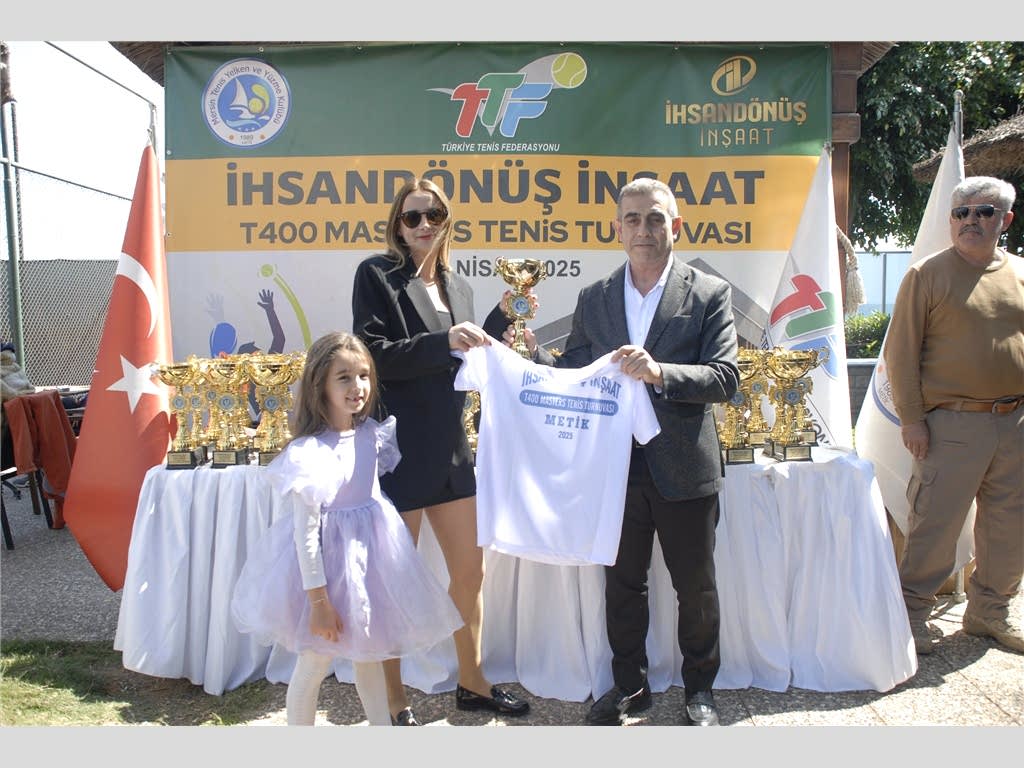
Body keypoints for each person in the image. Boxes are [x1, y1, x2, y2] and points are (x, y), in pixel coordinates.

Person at [501, 177, 739, 725]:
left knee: (695, 588)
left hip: (684, 466)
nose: (644, 229)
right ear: (617, 230)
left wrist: (660, 373)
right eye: (632, 219)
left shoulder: (708, 293)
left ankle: (700, 691)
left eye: (655, 218)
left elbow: (725, 377)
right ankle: (630, 687)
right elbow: (575, 372)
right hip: (613, 469)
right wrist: (532, 354)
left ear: (675, 225)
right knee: (623, 586)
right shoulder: (596, 297)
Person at [351, 178, 530, 725]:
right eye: (413, 217)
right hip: (398, 452)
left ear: (447, 221)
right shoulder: (377, 275)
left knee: (471, 573)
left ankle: (472, 682)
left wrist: (504, 317)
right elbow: (373, 355)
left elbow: (467, 356)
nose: (424, 224)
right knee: (390, 584)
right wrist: (444, 341)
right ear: (397, 226)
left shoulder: (462, 288)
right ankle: (393, 700)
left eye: (434, 215)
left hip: (452, 449)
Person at [230, 331, 465, 725]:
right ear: (319, 384)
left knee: (368, 663)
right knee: (313, 666)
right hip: (326, 580)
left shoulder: (372, 434)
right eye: (343, 378)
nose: (357, 387)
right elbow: (306, 537)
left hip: (369, 572)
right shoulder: (309, 453)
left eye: (363, 376)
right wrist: (319, 603)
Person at [884, 176, 1023, 656]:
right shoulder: (926, 275)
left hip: (1015, 422)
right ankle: (911, 614)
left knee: (1009, 526)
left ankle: (990, 610)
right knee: (935, 526)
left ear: (1005, 220)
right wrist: (912, 419)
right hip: (951, 425)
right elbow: (901, 354)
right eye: (961, 212)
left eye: (983, 212)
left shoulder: (1020, 273)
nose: (970, 220)